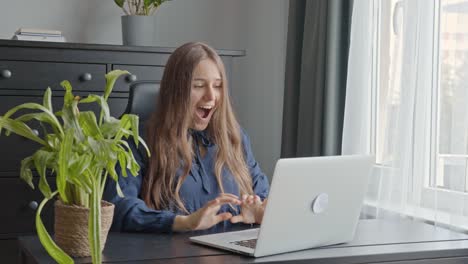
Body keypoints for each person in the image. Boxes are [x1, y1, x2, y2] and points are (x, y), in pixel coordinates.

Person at [104, 42, 269, 233]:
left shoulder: (236, 137)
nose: (211, 96)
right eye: (198, 86)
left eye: (218, 86)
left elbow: (263, 194)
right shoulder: (136, 140)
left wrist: (258, 212)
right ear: (175, 91)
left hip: (233, 250)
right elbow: (118, 206)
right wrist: (185, 222)